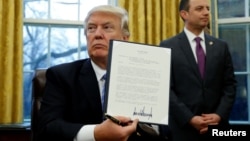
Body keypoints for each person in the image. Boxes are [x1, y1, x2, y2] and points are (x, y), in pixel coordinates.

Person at [36, 5, 167, 141]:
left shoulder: (147, 77)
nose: (97, 34)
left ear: (124, 38)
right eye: (91, 28)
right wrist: (96, 133)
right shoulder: (61, 76)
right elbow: (47, 129)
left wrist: (147, 122)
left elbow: (162, 130)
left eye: (107, 27)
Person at [159, 0, 237, 141]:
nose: (206, 12)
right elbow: (165, 89)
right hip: (182, 130)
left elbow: (230, 85)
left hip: (218, 127)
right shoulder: (167, 46)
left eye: (207, 8)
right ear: (184, 14)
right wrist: (189, 118)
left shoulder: (221, 46)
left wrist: (219, 115)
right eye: (200, 9)